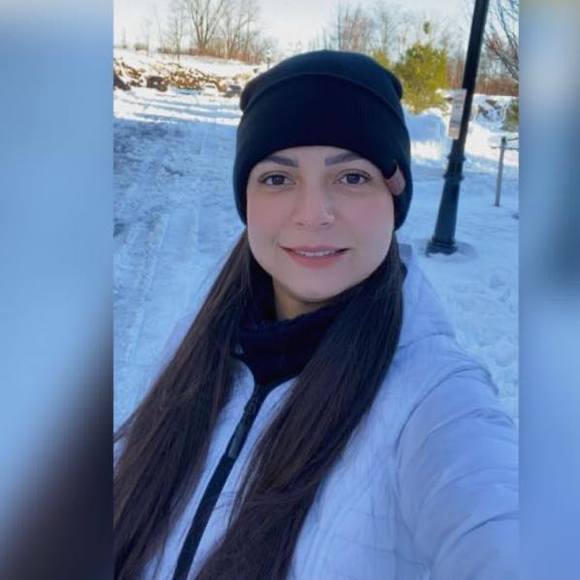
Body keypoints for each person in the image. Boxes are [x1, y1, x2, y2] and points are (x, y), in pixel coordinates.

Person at [114, 50, 518, 580]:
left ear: (394, 197)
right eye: (277, 179)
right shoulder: (205, 341)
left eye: (351, 177)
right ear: (245, 199)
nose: (312, 215)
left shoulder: (434, 395)